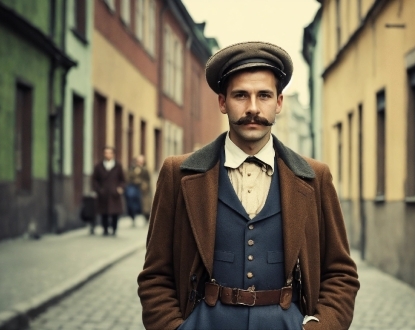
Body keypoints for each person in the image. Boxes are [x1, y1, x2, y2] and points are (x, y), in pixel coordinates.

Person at [137, 42, 359, 330]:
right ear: (222, 102)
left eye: (264, 95)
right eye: (240, 95)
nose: (253, 108)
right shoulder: (178, 175)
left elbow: (341, 273)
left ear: (279, 102)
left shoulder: (314, 178)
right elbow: (155, 274)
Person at [91, 146, 125, 236]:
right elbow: (94, 179)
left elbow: (123, 179)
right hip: (103, 193)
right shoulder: (99, 165)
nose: (108, 154)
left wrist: (120, 188)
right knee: (104, 212)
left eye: (110, 153)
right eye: (106, 153)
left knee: (115, 213)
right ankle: (105, 229)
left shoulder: (118, 165)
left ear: (113, 154)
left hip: (114, 193)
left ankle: (114, 229)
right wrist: (99, 189)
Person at [126, 155, 152, 224]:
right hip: (133, 189)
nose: (139, 162)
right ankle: (133, 218)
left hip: (143, 191)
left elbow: (148, 180)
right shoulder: (132, 169)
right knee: (132, 204)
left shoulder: (145, 170)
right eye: (138, 161)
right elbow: (128, 178)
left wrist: (143, 184)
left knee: (145, 206)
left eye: (141, 161)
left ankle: (146, 219)